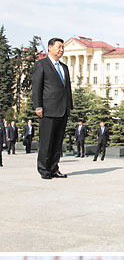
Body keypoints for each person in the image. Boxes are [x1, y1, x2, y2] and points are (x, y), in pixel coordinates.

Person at [32, 38, 73, 180]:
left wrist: (70, 106)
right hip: (48, 109)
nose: (61, 50)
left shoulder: (64, 67)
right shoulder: (41, 64)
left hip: (63, 110)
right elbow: (37, 87)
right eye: (59, 47)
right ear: (50, 48)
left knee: (57, 142)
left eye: (63, 47)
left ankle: (54, 168)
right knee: (46, 141)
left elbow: (67, 89)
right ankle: (44, 169)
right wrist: (38, 106)